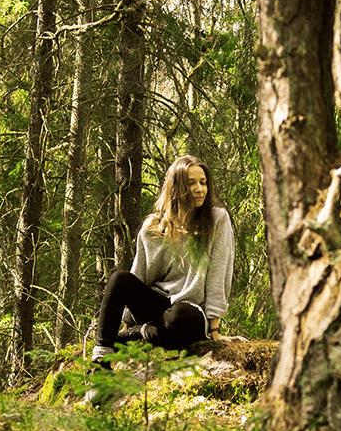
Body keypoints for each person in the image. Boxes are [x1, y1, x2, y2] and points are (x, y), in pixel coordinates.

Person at [92, 154, 245, 367]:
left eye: (203, 183)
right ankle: (100, 358)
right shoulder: (154, 227)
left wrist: (215, 330)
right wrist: (127, 321)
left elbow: (218, 275)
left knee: (181, 315)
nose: (199, 189)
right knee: (120, 279)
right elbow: (140, 273)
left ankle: (132, 336)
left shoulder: (217, 219)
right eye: (191, 183)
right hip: (157, 306)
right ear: (176, 187)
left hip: (189, 312)